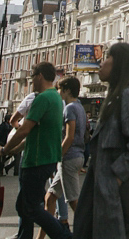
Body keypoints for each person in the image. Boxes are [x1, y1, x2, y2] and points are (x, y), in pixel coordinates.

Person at [72, 43, 129, 239]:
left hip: (116, 196)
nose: (101, 62)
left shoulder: (128, 95)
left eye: (107, 57)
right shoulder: (117, 96)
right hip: (104, 193)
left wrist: (116, 178)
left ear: (120, 64)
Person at [0, 62, 72, 239]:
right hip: (47, 158)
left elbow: (24, 129)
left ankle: (63, 235)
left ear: (39, 76)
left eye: (32, 77)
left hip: (37, 160)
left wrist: (4, 150)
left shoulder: (42, 99)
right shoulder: (56, 98)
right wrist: (11, 151)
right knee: (24, 205)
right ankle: (24, 236)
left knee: (31, 206)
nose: (31, 81)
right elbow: (32, 135)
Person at [44, 77, 87, 232]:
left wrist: (57, 156)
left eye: (60, 88)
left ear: (68, 90)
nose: (58, 91)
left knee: (73, 201)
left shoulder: (70, 108)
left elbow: (69, 136)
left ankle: (91, 230)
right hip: (76, 155)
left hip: (68, 157)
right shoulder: (80, 107)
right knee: (50, 197)